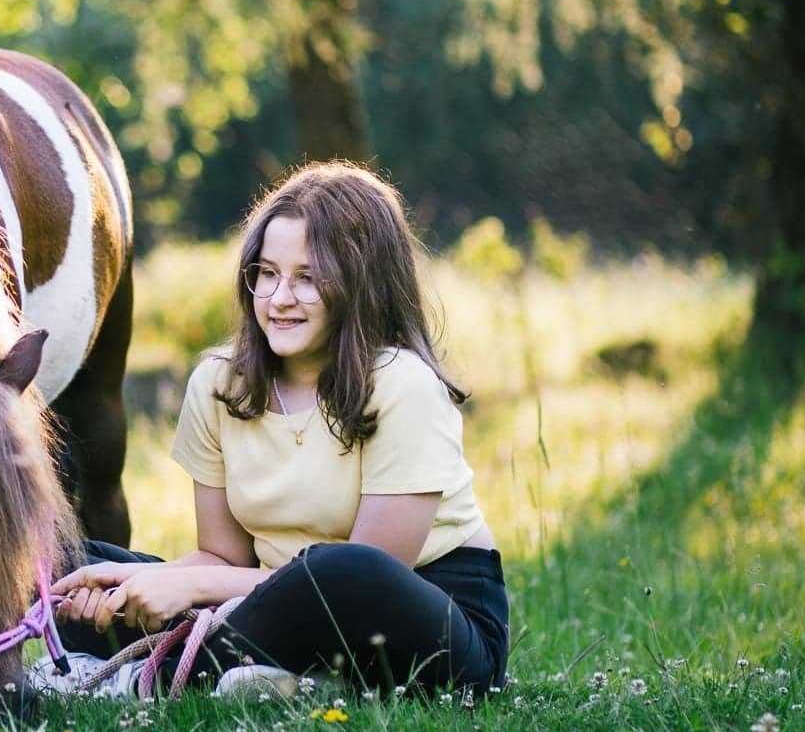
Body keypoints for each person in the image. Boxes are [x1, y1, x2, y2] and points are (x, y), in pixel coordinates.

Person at [46, 162, 509, 700]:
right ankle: (286, 677)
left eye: (307, 278)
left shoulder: (404, 387)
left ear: (362, 284)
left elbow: (366, 578)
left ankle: (134, 679)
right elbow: (224, 560)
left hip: (424, 619)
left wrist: (188, 586)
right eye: (266, 273)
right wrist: (132, 587)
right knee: (69, 566)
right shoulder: (220, 384)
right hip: (257, 601)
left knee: (343, 571)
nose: (279, 298)